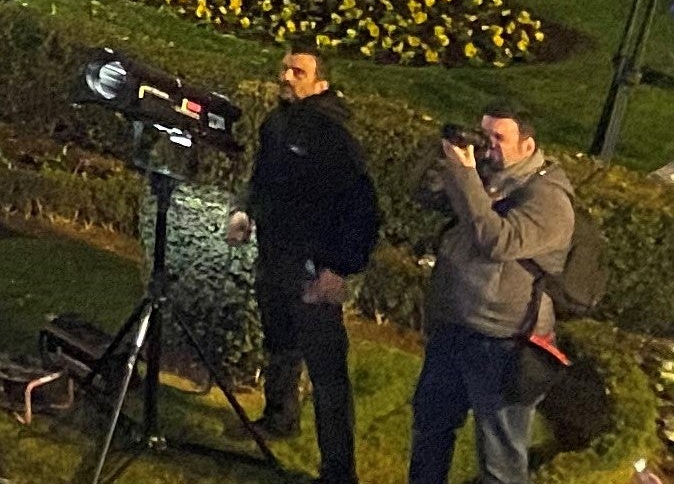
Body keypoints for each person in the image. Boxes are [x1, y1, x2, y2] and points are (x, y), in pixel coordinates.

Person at [409, 108, 575, 484]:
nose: (488, 146)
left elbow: (496, 240)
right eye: (485, 135)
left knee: (500, 462)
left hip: (503, 344)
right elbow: (422, 193)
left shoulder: (549, 199)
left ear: (527, 145)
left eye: (498, 138)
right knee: (430, 430)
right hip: (455, 328)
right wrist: (442, 151)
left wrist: (465, 175)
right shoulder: (486, 174)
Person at [234, 50, 377, 484]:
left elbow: (362, 208)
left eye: (298, 72)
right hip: (275, 255)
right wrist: (245, 211)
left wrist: (336, 269)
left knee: (326, 369)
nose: (286, 77)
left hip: (312, 265)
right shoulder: (278, 122)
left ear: (321, 84)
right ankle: (279, 416)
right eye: (284, 69)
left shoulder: (334, 134)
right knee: (280, 340)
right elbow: (262, 178)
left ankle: (338, 470)